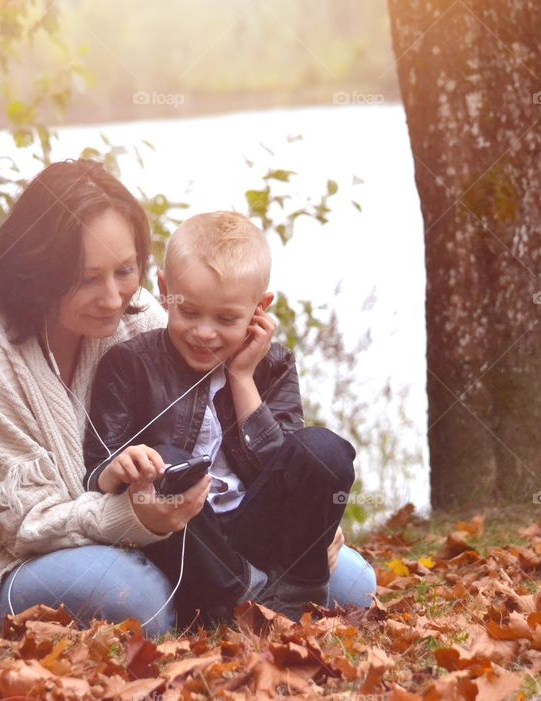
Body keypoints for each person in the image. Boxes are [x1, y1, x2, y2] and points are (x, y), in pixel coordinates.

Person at [0, 161, 365, 637]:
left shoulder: (139, 314)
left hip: (158, 535)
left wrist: (304, 516)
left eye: (125, 271)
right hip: (10, 561)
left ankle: (243, 595)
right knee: (139, 600)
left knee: (354, 585)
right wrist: (135, 517)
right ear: (39, 268)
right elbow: (25, 524)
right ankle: (236, 601)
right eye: (87, 278)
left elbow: (235, 440)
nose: (113, 298)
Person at [82, 211, 374, 627]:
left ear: (260, 309)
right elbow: (94, 469)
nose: (204, 333)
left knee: (324, 449)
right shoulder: (130, 363)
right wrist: (118, 469)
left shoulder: (272, 366)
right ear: (165, 291)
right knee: (166, 459)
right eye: (190, 312)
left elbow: (286, 465)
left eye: (225, 319)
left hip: (256, 529)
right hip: (183, 534)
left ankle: (299, 593)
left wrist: (241, 377)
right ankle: (237, 601)